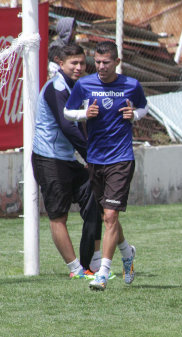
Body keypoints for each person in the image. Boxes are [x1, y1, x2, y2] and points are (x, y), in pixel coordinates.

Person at [64, 41, 148, 291]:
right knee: (107, 215)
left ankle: (103, 272)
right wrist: (83, 114)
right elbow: (68, 111)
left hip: (121, 158)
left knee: (111, 215)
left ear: (117, 62)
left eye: (106, 62)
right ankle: (127, 252)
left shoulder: (131, 85)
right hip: (95, 159)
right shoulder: (84, 84)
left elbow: (144, 106)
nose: (100, 67)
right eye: (97, 62)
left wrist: (136, 115)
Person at [32, 44, 103, 278]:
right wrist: (90, 156)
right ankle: (75, 270)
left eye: (82, 63)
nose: (79, 67)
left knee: (96, 199)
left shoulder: (78, 86)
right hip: (49, 159)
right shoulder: (56, 87)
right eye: (74, 63)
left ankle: (91, 263)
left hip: (68, 159)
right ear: (60, 63)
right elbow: (66, 126)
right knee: (58, 215)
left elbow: (82, 124)